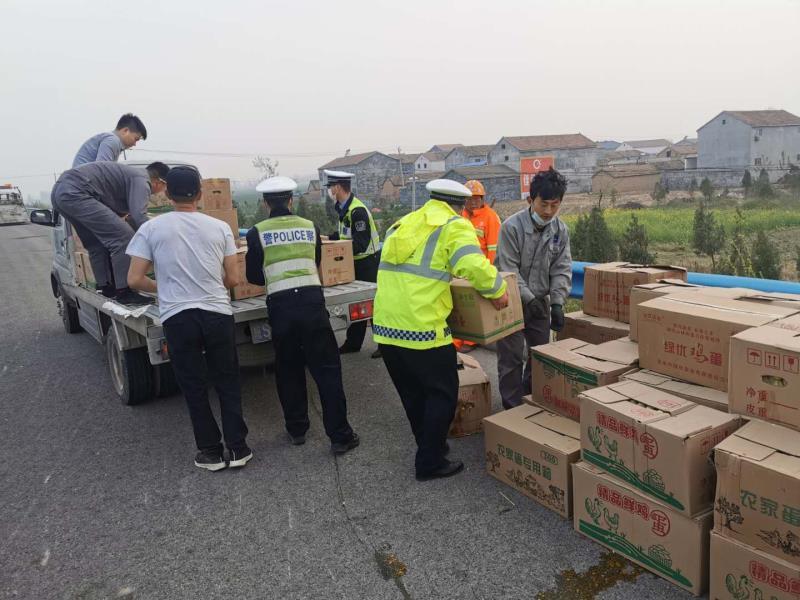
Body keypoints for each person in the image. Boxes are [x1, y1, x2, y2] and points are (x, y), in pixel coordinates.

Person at [374, 179, 509, 481]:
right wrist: (498, 289)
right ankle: (430, 462)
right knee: (443, 394)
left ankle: (429, 448)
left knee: (413, 395)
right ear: (460, 206)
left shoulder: (403, 224)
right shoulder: (453, 225)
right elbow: (472, 264)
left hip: (385, 327)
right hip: (421, 328)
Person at [126, 166, 252, 472]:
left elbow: (134, 280)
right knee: (227, 381)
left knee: (194, 385)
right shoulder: (219, 227)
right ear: (199, 193)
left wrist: (164, 288)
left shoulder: (152, 229)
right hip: (216, 314)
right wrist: (208, 286)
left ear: (167, 194)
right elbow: (234, 278)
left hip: (178, 317)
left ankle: (209, 452)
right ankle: (237, 448)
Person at [245, 176, 360, 455]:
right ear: (291, 200)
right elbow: (316, 261)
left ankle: (297, 430)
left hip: (281, 307)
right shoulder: (310, 227)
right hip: (311, 303)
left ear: (265, 203)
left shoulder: (256, 232)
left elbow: (253, 277)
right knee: (327, 369)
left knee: (288, 368)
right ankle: (340, 436)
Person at [495, 167, 572, 410]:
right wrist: (528, 298)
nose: (549, 211)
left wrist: (558, 302)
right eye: (543, 204)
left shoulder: (561, 231)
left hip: (541, 302)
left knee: (539, 356)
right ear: (531, 200)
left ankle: (529, 400)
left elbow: (561, 267)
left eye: (555, 205)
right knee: (512, 358)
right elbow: (508, 270)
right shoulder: (511, 228)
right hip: (511, 301)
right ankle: (512, 408)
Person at [51, 160, 167, 305]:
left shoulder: (129, 175)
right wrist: (161, 242)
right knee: (124, 239)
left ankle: (106, 287)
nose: (161, 192)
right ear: (159, 182)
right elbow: (139, 216)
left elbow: (124, 215)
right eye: (164, 188)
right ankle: (125, 292)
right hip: (77, 192)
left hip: (61, 193)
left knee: (96, 244)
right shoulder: (142, 180)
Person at [323, 170, 382, 357]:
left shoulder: (358, 211)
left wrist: (335, 250)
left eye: (331, 187)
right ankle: (354, 343)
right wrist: (327, 239)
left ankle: (384, 345)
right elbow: (344, 236)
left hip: (367, 263)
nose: (330, 192)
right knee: (357, 304)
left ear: (338, 187)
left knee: (374, 305)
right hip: (353, 263)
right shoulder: (344, 209)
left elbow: (360, 244)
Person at [453, 179, 502, 353]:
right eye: (470, 198)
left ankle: (471, 340)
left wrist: (487, 273)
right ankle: (457, 340)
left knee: (473, 309)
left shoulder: (490, 217)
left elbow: (493, 248)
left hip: (480, 270)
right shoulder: (461, 217)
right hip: (462, 271)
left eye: (477, 198)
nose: (474, 201)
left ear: (483, 199)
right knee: (460, 308)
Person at [73, 113, 147, 167]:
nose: (135, 144)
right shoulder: (112, 141)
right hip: (81, 185)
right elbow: (102, 171)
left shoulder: (111, 140)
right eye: (136, 139)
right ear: (125, 131)